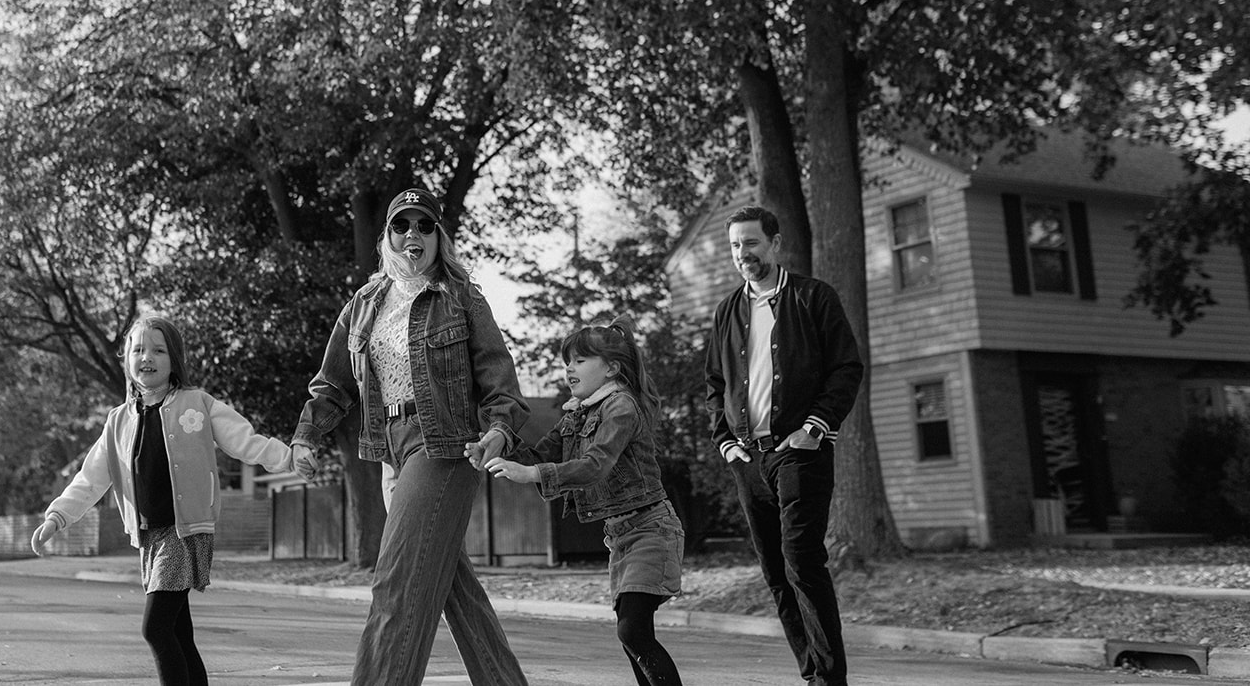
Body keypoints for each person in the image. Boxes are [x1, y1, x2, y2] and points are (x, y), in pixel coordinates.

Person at [290, 186, 530, 686]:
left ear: (439, 236)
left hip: (444, 445)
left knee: (398, 581)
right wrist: (307, 435)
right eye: (402, 225)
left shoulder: (461, 297)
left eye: (424, 225)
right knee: (447, 584)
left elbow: (500, 381)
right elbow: (333, 383)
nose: (413, 234)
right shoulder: (365, 303)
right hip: (390, 450)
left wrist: (498, 433)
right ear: (388, 237)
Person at [31, 313, 295, 686]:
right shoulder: (118, 421)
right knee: (179, 633)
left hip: (185, 531)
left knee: (155, 629)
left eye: (158, 349)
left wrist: (287, 457)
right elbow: (91, 479)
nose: (147, 357)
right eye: (137, 349)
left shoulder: (197, 404)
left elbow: (244, 440)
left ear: (174, 361)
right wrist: (57, 517)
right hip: (149, 537)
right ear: (127, 360)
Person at [705, 205, 865, 686]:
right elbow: (715, 384)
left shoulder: (814, 298)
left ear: (775, 244)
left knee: (802, 561)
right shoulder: (728, 310)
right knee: (775, 571)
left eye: (751, 243)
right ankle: (812, 672)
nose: (742, 254)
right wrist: (726, 445)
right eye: (735, 246)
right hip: (748, 458)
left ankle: (830, 678)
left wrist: (815, 427)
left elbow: (846, 368)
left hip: (800, 452)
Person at [484, 315, 685, 686]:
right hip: (620, 536)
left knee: (633, 632)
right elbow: (539, 456)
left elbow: (596, 465)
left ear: (611, 368)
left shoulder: (620, 407)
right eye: (567, 361)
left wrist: (533, 475)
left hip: (652, 529)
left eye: (579, 360)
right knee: (632, 636)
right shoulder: (577, 415)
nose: (568, 368)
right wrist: (496, 444)